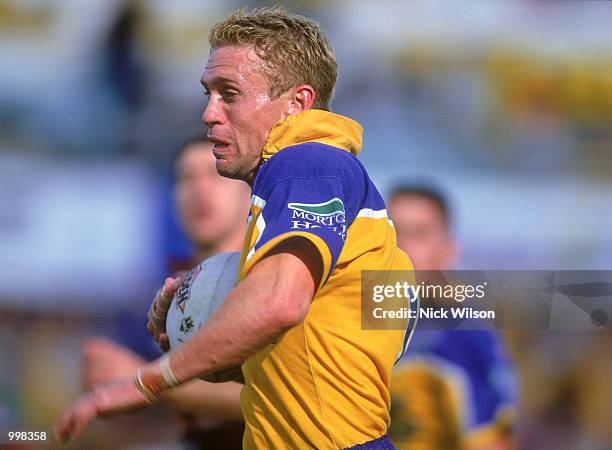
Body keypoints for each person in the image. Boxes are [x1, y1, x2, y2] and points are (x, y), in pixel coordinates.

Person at [55, 7, 415, 449]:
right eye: (208, 93)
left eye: (229, 94)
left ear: (297, 104)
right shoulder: (315, 176)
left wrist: (147, 380)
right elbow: (313, 357)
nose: (209, 113)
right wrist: (200, 332)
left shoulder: (306, 160)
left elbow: (280, 303)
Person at [81, 136, 249, 448]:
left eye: (216, 175)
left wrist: (146, 381)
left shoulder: (277, 278)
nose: (200, 189)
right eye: (186, 177)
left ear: (249, 192)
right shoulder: (166, 297)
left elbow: (286, 396)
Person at [386, 184, 517, 450]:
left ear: (449, 249)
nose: (401, 245)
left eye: (418, 234)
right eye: (392, 231)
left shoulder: (463, 336)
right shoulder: (349, 317)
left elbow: (489, 442)